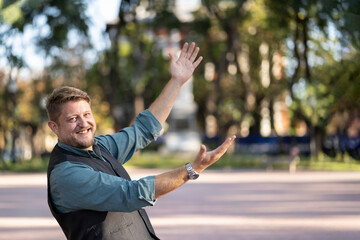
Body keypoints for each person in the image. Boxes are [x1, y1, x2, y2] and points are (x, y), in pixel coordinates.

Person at [46, 42, 236, 240]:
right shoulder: (66, 173)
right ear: (54, 127)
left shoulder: (99, 147)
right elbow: (132, 193)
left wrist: (177, 82)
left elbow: (143, 130)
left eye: (86, 114)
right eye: (72, 119)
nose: (83, 123)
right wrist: (191, 169)